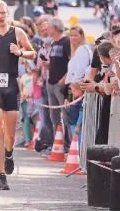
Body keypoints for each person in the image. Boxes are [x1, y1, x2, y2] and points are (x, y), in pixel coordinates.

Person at [0, 0, 36, 190]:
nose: (1, 16)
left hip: (12, 85)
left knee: (10, 135)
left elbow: (33, 53)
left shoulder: (17, 33)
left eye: (3, 13)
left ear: (7, 14)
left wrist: (20, 52)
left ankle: (9, 153)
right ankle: (1, 175)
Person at [45, 17, 72, 152]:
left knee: (65, 116)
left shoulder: (66, 42)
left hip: (61, 85)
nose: (46, 29)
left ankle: (68, 145)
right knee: (54, 116)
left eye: (48, 27)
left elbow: (71, 62)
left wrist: (65, 78)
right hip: (51, 83)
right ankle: (58, 143)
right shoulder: (53, 43)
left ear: (55, 28)